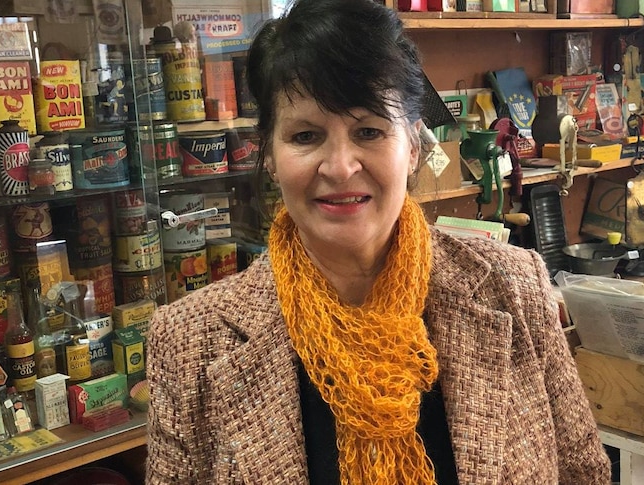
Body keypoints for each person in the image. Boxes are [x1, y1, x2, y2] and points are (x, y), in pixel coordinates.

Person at [145, 0, 611, 483]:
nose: (340, 167)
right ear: (269, 156)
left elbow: (584, 473)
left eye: (369, 131)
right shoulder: (190, 344)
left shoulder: (513, 288)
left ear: (413, 146)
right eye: (306, 136)